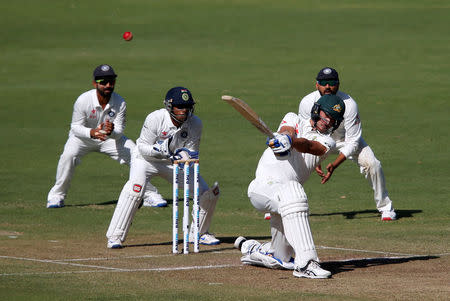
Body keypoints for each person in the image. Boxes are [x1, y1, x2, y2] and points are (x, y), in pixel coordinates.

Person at [235, 94, 346, 279]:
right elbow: (288, 130)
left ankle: (255, 249)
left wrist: (291, 143)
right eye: (325, 116)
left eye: (333, 120)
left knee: (282, 258)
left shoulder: (329, 142)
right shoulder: (293, 118)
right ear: (317, 110)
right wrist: (285, 138)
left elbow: (311, 146)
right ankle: (307, 264)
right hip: (263, 187)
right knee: (295, 192)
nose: (327, 122)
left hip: (284, 203)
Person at [106, 86, 220, 249]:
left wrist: (185, 156)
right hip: (145, 160)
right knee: (135, 190)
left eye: (187, 107)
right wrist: (160, 150)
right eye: (180, 107)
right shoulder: (155, 118)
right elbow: (143, 147)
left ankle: (199, 233)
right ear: (169, 106)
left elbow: (193, 152)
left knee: (205, 192)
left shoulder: (195, 123)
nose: (184, 111)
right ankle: (115, 236)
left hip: (173, 163)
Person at [298, 67, 396, 221]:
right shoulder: (307, 102)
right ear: (317, 85)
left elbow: (353, 141)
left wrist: (334, 164)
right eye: (324, 83)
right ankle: (276, 205)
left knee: (373, 164)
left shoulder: (349, 104)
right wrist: (315, 154)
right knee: (294, 164)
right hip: (319, 141)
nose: (328, 86)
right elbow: (305, 132)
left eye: (332, 82)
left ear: (338, 84)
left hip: (345, 141)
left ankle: (386, 208)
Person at [46, 64, 137, 208]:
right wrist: (92, 132)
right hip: (82, 139)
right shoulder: (83, 100)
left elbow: (119, 133)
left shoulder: (120, 102)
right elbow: (75, 127)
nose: (108, 85)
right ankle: (56, 196)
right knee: (68, 156)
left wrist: (111, 131)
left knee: (136, 154)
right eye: (103, 82)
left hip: (108, 140)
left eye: (111, 81)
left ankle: (148, 194)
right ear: (95, 83)